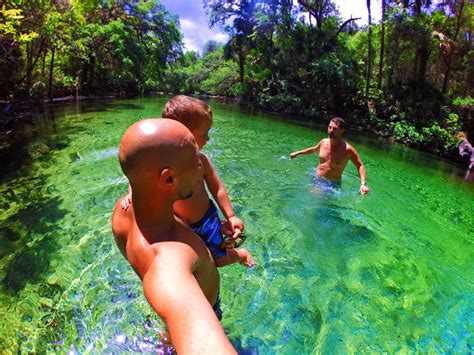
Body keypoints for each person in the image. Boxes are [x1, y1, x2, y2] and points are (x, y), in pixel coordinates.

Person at [111, 119, 236, 353]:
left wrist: (209, 230)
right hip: (207, 308)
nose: (202, 166)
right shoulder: (169, 260)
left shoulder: (122, 212)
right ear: (168, 179)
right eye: (194, 161)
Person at [124, 95, 255, 268]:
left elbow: (217, 188)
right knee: (186, 261)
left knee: (217, 261)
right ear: (184, 135)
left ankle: (240, 254)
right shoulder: (158, 165)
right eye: (204, 133)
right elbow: (141, 179)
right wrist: (132, 193)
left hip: (205, 220)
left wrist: (230, 215)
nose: (208, 138)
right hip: (178, 225)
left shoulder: (201, 161)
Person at [290, 117, 370, 195]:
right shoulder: (323, 142)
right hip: (316, 178)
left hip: (331, 186)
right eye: (329, 127)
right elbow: (314, 149)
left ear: (341, 131)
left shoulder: (348, 149)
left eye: (334, 129)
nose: (330, 130)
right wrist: (297, 153)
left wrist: (363, 184)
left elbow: (360, 165)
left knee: (313, 198)